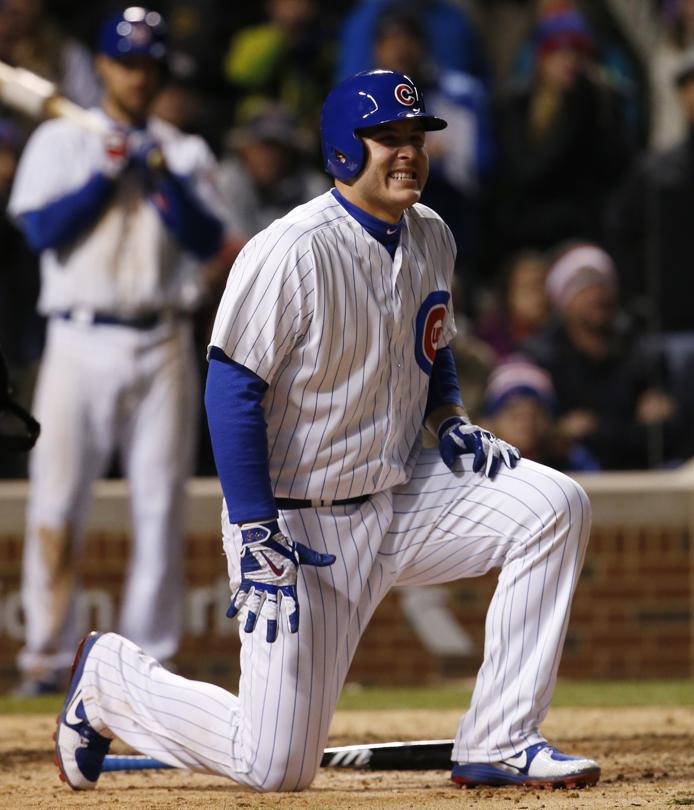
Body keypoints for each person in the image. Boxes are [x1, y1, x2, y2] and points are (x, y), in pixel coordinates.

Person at [53, 69, 599, 794]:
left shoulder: (432, 235)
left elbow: (430, 344)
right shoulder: (292, 249)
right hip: (300, 527)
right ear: (344, 150)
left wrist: (451, 418)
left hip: (401, 497)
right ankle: (112, 679)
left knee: (555, 505)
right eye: (387, 139)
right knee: (273, 766)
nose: (407, 153)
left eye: (415, 138)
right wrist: (254, 527)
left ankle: (501, 739)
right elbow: (231, 388)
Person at [8, 7, 225, 695]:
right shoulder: (60, 142)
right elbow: (41, 231)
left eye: (147, 65)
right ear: (102, 65)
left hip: (162, 338)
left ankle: (149, 664)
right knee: (56, 502)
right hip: (76, 335)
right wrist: (105, 176)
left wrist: (157, 173)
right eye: (126, 62)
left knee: (159, 507)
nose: (137, 75)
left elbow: (203, 238)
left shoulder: (183, 150)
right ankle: (46, 659)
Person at [524, 242, 680, 470]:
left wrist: (592, 429)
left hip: (638, 473)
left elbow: (660, 432)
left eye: (602, 284)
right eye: (583, 288)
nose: (597, 295)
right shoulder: (541, 358)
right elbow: (542, 435)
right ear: (563, 300)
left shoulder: (642, 350)